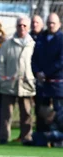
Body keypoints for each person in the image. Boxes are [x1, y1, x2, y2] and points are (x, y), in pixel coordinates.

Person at [0, 16, 35, 144]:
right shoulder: (7, 44)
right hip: (9, 84)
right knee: (6, 114)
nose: (22, 28)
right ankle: (4, 137)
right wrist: (2, 79)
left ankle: (26, 137)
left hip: (27, 84)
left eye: (24, 25)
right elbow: (0, 63)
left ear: (28, 27)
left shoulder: (33, 44)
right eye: (19, 25)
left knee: (27, 114)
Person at [32, 13, 63, 144]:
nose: (51, 25)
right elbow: (34, 59)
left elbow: (61, 61)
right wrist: (37, 72)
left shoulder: (61, 39)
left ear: (59, 24)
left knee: (58, 114)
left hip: (57, 86)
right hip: (42, 84)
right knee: (41, 112)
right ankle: (41, 140)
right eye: (49, 22)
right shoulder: (41, 38)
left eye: (53, 23)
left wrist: (46, 73)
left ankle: (58, 140)